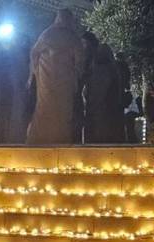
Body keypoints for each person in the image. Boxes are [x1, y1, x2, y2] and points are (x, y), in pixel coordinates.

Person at [26, 9, 85, 145]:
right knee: (59, 113)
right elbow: (80, 60)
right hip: (61, 82)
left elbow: (34, 54)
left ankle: (43, 142)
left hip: (48, 81)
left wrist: (36, 73)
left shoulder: (47, 34)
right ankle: (58, 142)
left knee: (48, 110)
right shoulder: (72, 37)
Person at [85, 44, 125, 144]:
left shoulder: (98, 70)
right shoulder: (114, 70)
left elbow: (95, 93)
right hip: (111, 110)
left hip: (99, 111)